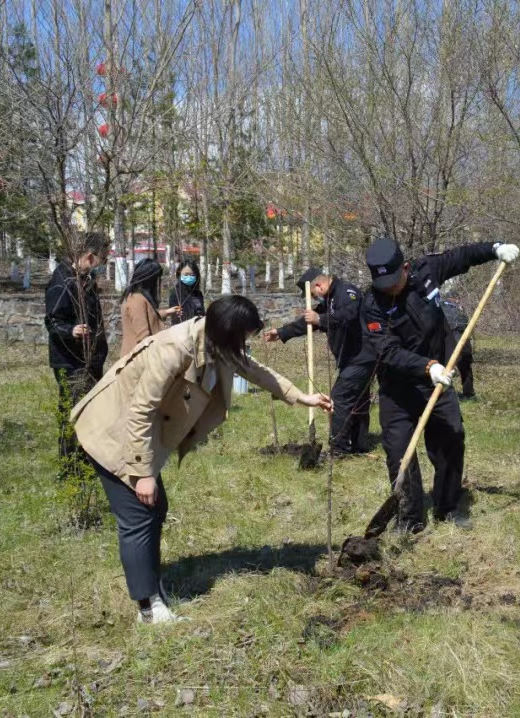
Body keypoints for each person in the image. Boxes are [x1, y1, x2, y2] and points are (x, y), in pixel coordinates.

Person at [71, 296, 332, 624]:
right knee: (139, 515)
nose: (246, 345)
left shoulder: (215, 342)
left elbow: (254, 370)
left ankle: (153, 589)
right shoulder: (176, 349)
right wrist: (142, 473)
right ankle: (149, 608)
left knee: (154, 509)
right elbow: (140, 410)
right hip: (113, 431)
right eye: (245, 337)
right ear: (228, 333)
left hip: (133, 429)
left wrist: (301, 396)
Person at [361, 234, 519, 532]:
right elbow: (387, 351)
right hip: (398, 388)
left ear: (406, 267)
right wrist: (426, 366)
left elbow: (460, 256)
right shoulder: (371, 306)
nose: (390, 289)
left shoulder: (426, 272)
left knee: (451, 438)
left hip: (438, 383)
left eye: (394, 280)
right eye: (383, 285)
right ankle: (410, 518)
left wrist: (494, 248)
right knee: (399, 452)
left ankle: (448, 506)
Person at [263, 267, 376, 456]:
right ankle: (359, 444)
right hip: (352, 359)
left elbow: (349, 316)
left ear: (318, 285)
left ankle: (339, 449)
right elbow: (308, 321)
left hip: (362, 357)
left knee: (338, 398)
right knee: (358, 400)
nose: (315, 299)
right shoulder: (330, 299)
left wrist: (321, 319)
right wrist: (282, 332)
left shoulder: (347, 292)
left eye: (313, 295)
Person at [45, 232, 109, 462]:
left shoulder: (84, 279)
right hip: (71, 360)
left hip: (88, 359)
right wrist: (70, 330)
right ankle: (70, 464)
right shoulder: (63, 281)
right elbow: (52, 320)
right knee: (72, 411)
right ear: (90, 256)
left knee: (88, 411)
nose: (103, 263)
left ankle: (85, 458)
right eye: (103, 258)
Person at [120, 258, 180, 356]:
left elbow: (148, 316)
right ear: (150, 281)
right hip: (138, 362)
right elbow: (143, 337)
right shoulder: (136, 300)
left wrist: (167, 312)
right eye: (157, 279)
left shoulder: (139, 297)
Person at [440, 295, 474, 399]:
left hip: (452, 339)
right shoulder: (459, 310)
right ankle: (469, 394)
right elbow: (467, 323)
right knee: (465, 368)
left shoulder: (441, 307)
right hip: (463, 339)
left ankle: (446, 394)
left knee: (445, 368)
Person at [168, 260, 206, 325]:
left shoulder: (198, 293)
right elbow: (174, 316)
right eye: (186, 274)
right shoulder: (176, 293)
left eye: (192, 274)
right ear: (179, 274)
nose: (189, 277)